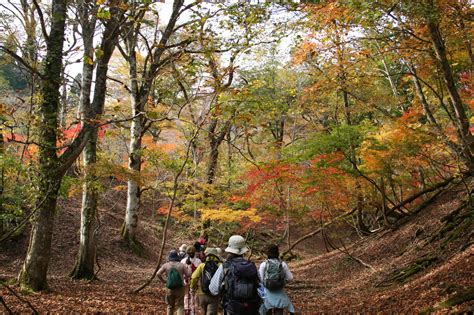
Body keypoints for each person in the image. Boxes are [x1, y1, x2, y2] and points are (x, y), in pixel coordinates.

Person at [209, 235, 261, 315]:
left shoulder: (225, 266)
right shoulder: (252, 266)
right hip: (251, 308)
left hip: (232, 308)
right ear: (243, 251)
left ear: (230, 250)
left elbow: (213, 289)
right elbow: (261, 286)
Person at [258, 244, 295, 315]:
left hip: (267, 292)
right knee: (279, 309)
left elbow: (260, 279)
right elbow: (290, 278)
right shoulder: (282, 264)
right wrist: (283, 281)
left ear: (268, 253)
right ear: (277, 253)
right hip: (279, 290)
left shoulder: (264, 264)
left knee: (267, 309)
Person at [157, 250, 192, 315]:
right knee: (180, 306)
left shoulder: (166, 265)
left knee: (170, 306)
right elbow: (189, 275)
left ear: (169, 257)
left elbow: (158, 273)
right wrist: (189, 267)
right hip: (180, 288)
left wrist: (164, 281)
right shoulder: (182, 265)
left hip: (169, 288)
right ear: (177, 256)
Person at [189, 247, 222, 315]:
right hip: (214, 295)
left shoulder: (202, 265)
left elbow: (194, 277)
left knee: (203, 312)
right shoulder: (220, 266)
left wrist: (192, 288)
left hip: (202, 293)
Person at [181, 246, 202, 315]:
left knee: (190, 296)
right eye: (190, 253)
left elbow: (199, 271)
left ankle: (190, 311)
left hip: (190, 281)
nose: (191, 254)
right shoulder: (197, 261)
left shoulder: (184, 261)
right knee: (190, 296)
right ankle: (190, 311)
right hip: (190, 281)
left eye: (191, 253)